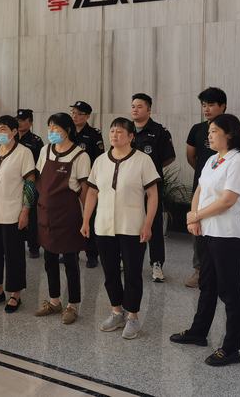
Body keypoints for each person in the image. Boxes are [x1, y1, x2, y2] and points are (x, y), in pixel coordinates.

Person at [171, 114, 240, 367]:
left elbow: (227, 200)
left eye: (214, 131)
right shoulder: (212, 160)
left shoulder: (238, 161)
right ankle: (198, 332)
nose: (209, 135)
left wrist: (197, 215)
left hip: (226, 235)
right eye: (209, 131)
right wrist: (193, 217)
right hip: (206, 232)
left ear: (230, 134)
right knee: (207, 286)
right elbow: (199, 190)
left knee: (229, 292)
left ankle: (231, 348)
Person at [81, 117, 159, 340]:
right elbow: (92, 193)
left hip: (132, 226)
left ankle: (132, 316)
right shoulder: (100, 161)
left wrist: (148, 224)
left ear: (131, 136)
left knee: (133, 273)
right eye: (112, 131)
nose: (114, 135)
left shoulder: (143, 160)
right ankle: (116, 311)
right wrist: (86, 220)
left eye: (120, 132)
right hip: (104, 225)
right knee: (110, 272)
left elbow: (153, 195)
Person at [184, 87, 240, 288]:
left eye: (211, 105)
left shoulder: (237, 151)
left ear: (223, 106)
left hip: (225, 223)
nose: (206, 109)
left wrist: (196, 215)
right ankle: (199, 270)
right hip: (205, 191)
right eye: (203, 105)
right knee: (201, 243)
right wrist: (195, 215)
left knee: (227, 286)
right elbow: (191, 157)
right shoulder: (199, 134)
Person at [34, 113, 90, 325]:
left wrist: (87, 218)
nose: (51, 132)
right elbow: (39, 179)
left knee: (70, 261)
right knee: (49, 260)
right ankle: (54, 301)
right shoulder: (45, 150)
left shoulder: (80, 155)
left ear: (67, 130)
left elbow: (85, 190)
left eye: (56, 128)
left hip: (68, 215)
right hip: (46, 213)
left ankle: (73, 305)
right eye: (49, 127)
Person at [0, 115, 36, 313]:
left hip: (13, 212)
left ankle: (15, 294)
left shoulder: (23, 153)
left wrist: (26, 211)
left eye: (3, 129)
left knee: (14, 255)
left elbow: (30, 182)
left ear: (14, 132)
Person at [129, 93, 175, 283]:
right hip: (129, 186)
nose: (135, 109)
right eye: (133, 106)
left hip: (151, 186)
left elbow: (168, 157)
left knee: (153, 224)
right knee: (130, 222)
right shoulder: (126, 129)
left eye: (139, 106)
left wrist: (148, 172)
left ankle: (156, 263)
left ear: (149, 109)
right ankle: (128, 259)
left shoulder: (159, 131)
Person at [71, 100, 104, 268]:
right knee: (73, 217)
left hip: (89, 182)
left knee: (89, 217)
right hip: (71, 181)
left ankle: (92, 254)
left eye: (79, 114)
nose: (75, 116)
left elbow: (99, 159)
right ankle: (72, 251)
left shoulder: (94, 134)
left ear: (87, 116)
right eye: (73, 113)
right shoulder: (68, 132)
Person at [17, 108, 44, 258]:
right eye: (18, 120)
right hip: (15, 182)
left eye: (23, 120)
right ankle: (17, 242)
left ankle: (34, 246)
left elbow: (40, 164)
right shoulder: (12, 138)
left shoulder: (36, 141)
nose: (19, 123)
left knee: (32, 216)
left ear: (30, 122)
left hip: (31, 181)